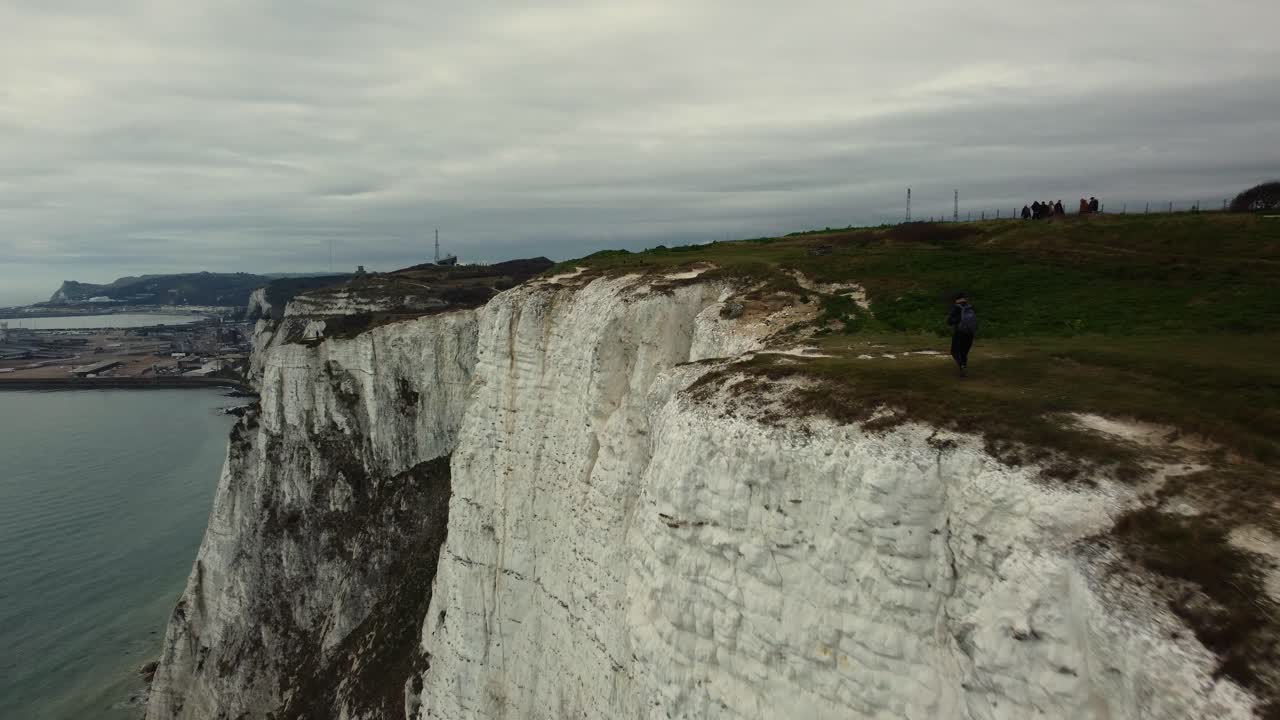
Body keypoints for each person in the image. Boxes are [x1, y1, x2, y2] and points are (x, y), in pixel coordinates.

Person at [946, 293, 977, 377]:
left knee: (954, 351)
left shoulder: (957, 308)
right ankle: (964, 367)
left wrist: (953, 321)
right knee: (964, 352)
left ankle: (962, 367)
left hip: (959, 332)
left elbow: (949, 321)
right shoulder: (970, 307)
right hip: (970, 333)